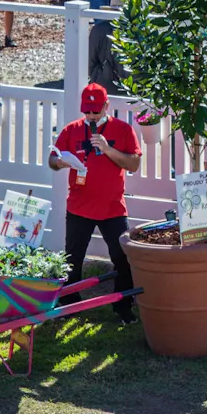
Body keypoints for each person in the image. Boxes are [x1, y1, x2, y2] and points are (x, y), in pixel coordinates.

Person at [49, 83, 140, 324]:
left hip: (112, 207)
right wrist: (64, 162)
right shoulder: (72, 130)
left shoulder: (123, 130)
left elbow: (132, 164)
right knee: (72, 257)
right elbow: (52, 160)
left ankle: (123, 306)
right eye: (87, 112)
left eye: (95, 112)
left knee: (122, 257)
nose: (90, 117)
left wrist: (108, 149)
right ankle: (69, 303)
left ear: (106, 107)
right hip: (79, 205)